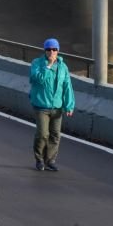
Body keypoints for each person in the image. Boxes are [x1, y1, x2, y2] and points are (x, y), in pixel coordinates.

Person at [29, 37, 74, 172]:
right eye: (48, 49)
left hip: (57, 107)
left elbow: (67, 86)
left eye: (54, 49)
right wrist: (48, 66)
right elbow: (38, 79)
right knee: (43, 134)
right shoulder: (37, 63)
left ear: (58, 51)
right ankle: (39, 159)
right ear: (45, 50)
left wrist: (69, 105)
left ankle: (50, 161)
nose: (51, 52)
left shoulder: (63, 67)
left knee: (55, 135)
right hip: (41, 105)